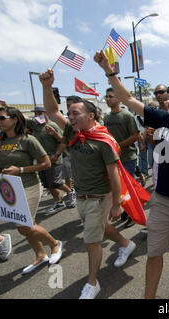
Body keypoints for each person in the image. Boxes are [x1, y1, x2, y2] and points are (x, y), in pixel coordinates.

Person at [94, 50, 169, 298]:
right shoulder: (161, 117)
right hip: (161, 200)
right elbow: (127, 98)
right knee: (154, 252)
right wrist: (108, 71)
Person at [39, 69, 136, 299]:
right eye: (69, 114)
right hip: (81, 197)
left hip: (99, 198)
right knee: (101, 229)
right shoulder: (72, 132)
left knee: (91, 241)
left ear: (91, 115)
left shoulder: (104, 140)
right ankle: (126, 244)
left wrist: (116, 203)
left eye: (75, 113)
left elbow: (114, 173)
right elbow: (52, 110)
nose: (70, 117)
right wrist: (46, 86)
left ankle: (93, 283)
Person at [0, 107, 64, 274]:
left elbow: (46, 163)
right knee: (26, 225)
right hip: (8, 190)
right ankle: (40, 255)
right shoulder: (1, 143)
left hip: (28, 186)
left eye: (2, 118)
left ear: (15, 120)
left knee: (23, 226)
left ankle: (55, 243)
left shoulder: (28, 140)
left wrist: (20, 170)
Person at [26, 106, 76, 214]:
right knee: (48, 184)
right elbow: (23, 118)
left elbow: (63, 142)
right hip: (41, 161)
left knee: (55, 181)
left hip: (53, 160)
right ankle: (59, 202)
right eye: (35, 113)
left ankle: (70, 192)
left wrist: (56, 155)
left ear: (46, 113)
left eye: (40, 113)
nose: (37, 115)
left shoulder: (52, 126)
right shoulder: (35, 126)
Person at [104, 88, 140, 228]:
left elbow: (135, 136)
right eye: (106, 97)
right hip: (112, 160)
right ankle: (127, 211)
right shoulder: (106, 118)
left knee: (129, 190)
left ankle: (133, 214)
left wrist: (118, 145)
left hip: (127, 158)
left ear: (119, 98)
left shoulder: (127, 116)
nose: (108, 99)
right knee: (118, 189)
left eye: (111, 96)